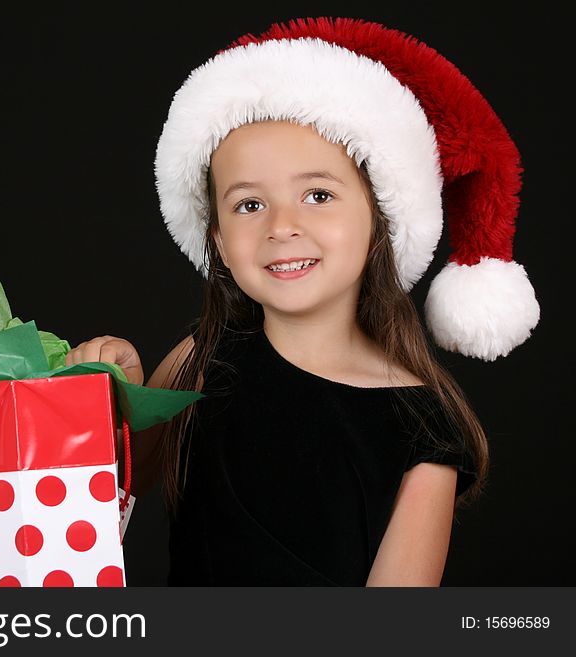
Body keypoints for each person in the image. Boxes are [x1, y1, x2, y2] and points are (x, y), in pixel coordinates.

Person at [64, 17, 540, 586]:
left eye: (317, 195)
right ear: (217, 238)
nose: (282, 226)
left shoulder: (422, 428)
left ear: (379, 220)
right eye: (248, 205)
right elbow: (115, 485)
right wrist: (112, 396)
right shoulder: (205, 354)